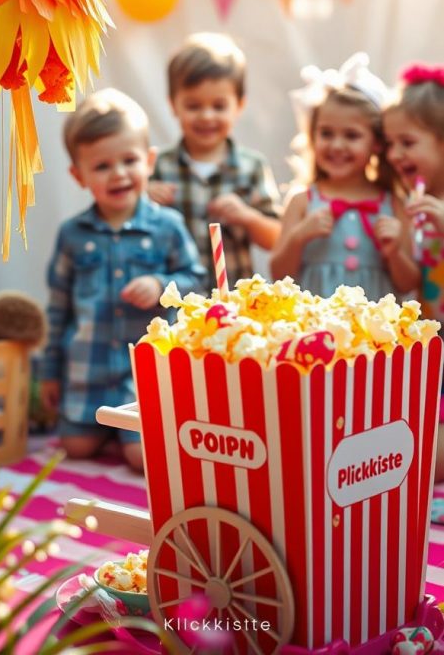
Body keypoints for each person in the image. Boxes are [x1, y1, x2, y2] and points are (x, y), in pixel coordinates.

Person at [36, 88, 205, 471]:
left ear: (148, 161)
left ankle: (129, 435)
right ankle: (105, 430)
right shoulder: (73, 234)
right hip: (88, 371)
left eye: (129, 160)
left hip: (144, 376)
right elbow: (58, 306)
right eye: (102, 166)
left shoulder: (168, 226)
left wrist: (162, 284)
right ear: (79, 176)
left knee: (141, 458)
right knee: (75, 448)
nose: (119, 174)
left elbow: (197, 282)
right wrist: (50, 372)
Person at [270, 53, 419, 299]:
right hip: (317, 328)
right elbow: (278, 275)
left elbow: (407, 284)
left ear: (377, 143)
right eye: (326, 133)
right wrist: (299, 237)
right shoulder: (302, 201)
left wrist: (395, 253)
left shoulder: (393, 203)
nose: (337, 145)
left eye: (351, 136)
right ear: (312, 136)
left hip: (372, 333)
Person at [148, 32, 280, 286]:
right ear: (173, 105)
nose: (207, 116)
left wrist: (247, 216)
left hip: (233, 309)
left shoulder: (251, 167)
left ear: (239, 105)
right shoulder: (157, 167)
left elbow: (275, 238)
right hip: (174, 305)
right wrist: (143, 198)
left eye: (219, 106)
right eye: (193, 106)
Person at [383, 64, 444, 481]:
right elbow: (411, 282)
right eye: (390, 143)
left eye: (408, 142)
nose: (395, 154)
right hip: (432, 339)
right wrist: (394, 251)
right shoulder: (413, 206)